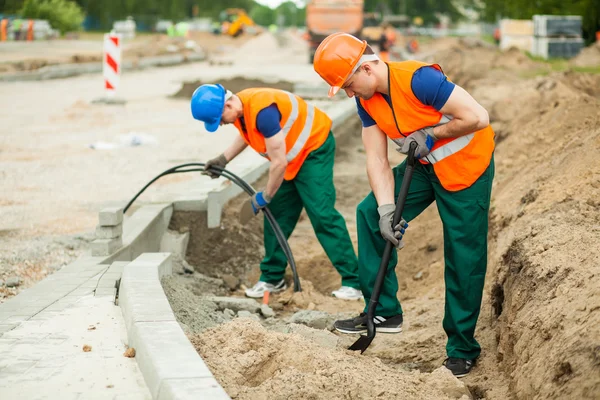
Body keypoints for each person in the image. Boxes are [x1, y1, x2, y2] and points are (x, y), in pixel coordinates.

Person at [313, 33, 495, 377]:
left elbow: (478, 116)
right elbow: (376, 159)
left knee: (463, 254)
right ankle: (383, 312)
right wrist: (386, 210)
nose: (350, 93)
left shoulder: (420, 80)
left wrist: (431, 135)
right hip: (424, 169)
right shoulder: (366, 100)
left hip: (465, 169)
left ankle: (462, 348)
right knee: (369, 213)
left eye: (349, 84)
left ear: (367, 68)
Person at [190, 84, 363, 301]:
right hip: (291, 156)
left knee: (322, 214)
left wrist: (265, 195)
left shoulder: (264, 113)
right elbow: (248, 133)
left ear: (228, 103)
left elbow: (278, 163)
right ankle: (273, 278)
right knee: (277, 216)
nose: (222, 124)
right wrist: (223, 159)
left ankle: (354, 282)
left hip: (313, 149)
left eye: (220, 118)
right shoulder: (241, 109)